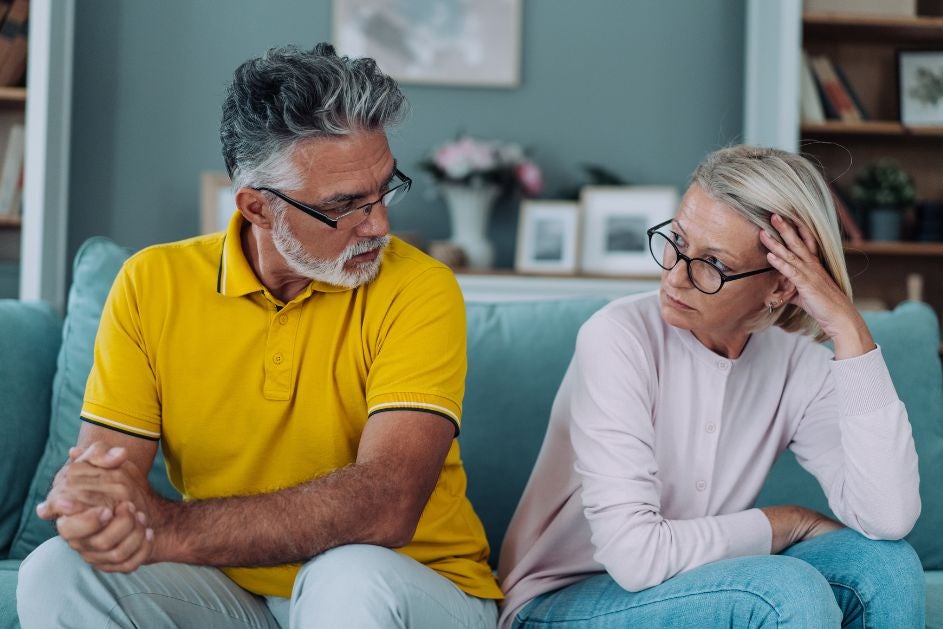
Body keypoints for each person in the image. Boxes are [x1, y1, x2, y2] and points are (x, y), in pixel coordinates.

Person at [16, 43, 502, 628]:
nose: (379, 224)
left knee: (345, 576)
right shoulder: (151, 282)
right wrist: (90, 508)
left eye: (385, 188)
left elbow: (387, 505)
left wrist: (167, 527)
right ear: (257, 208)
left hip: (409, 585)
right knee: (57, 570)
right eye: (345, 205)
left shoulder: (419, 288)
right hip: (232, 589)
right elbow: (105, 478)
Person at [498, 145, 923, 628]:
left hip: (697, 584)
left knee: (889, 567)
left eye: (713, 265)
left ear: (781, 286)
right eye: (676, 240)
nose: (675, 277)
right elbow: (637, 559)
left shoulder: (796, 367)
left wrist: (850, 330)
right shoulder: (618, 336)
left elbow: (888, 518)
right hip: (558, 601)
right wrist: (788, 522)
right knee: (784, 592)